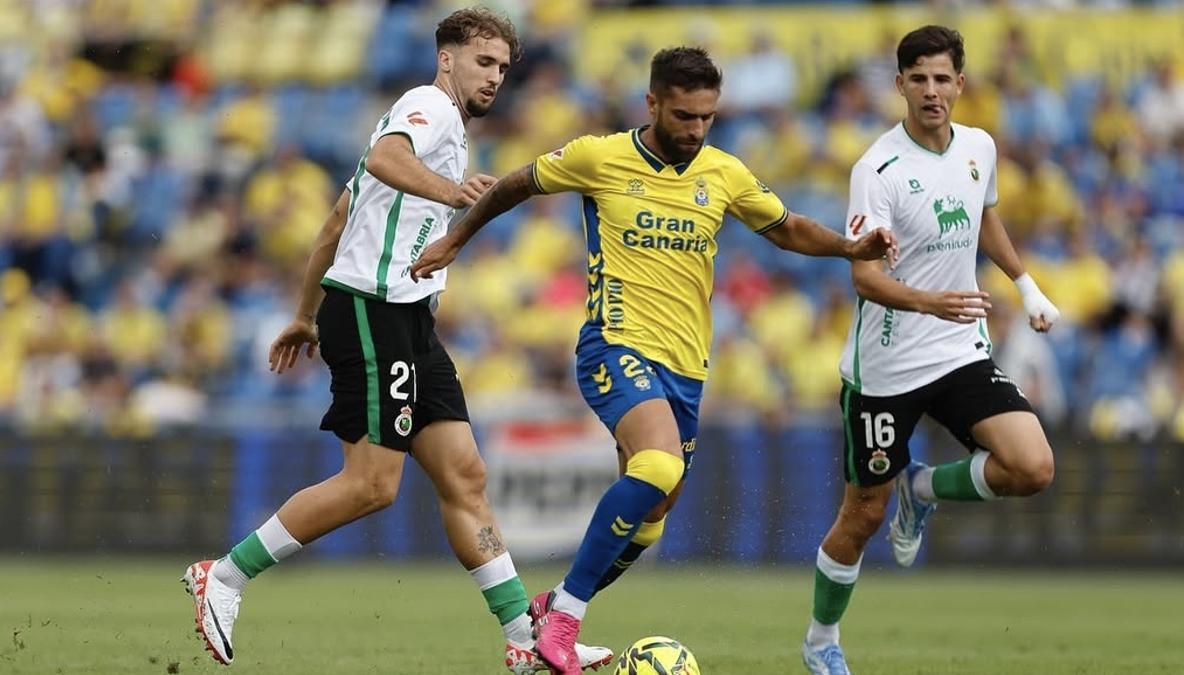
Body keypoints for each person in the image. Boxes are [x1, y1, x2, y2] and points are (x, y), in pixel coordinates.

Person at [411, 46, 897, 675]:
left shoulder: (723, 173)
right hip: (614, 344)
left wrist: (849, 246)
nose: (696, 131)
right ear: (653, 103)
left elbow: (786, 227)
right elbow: (513, 184)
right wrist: (455, 237)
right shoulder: (599, 156)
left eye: (707, 118)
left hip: (687, 368)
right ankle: (563, 623)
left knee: (655, 514)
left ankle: (549, 609)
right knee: (659, 463)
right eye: (684, 116)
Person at [180, 9, 612, 672]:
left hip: (407, 316)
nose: (494, 77)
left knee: (465, 474)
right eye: (483, 61)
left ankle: (525, 639)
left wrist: (302, 312)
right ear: (447, 58)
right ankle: (226, 575)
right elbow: (386, 160)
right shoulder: (427, 107)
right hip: (373, 311)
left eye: (502, 67)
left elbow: (337, 218)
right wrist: (453, 193)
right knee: (373, 484)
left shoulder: (442, 130)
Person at [800, 26, 1061, 675]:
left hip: (959, 350)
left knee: (1031, 467)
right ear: (900, 86)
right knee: (862, 515)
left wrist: (1026, 285)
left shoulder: (979, 147)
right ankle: (820, 642)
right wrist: (930, 301)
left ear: (960, 84)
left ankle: (924, 484)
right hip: (885, 369)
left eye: (942, 78)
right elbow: (863, 276)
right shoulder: (878, 169)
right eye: (918, 78)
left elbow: (984, 213)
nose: (931, 90)